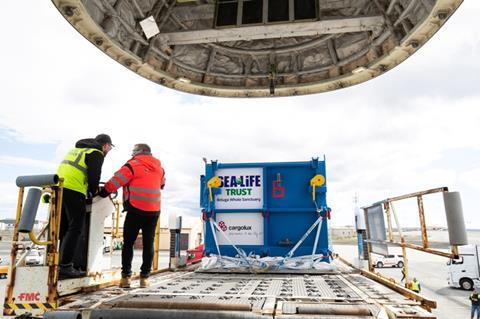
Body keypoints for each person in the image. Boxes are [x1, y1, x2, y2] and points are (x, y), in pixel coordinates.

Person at [100, 143, 165, 288]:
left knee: (128, 243)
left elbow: (114, 182)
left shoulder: (132, 165)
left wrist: (102, 193)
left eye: (133, 151)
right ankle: (144, 279)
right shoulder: (160, 168)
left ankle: (126, 278)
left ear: (140, 151)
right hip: (154, 210)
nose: (132, 154)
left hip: (136, 209)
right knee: (149, 243)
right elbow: (162, 184)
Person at [57, 134, 113, 279]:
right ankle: (66, 266)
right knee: (75, 227)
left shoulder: (76, 150)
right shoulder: (96, 153)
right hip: (74, 190)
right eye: (110, 148)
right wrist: (93, 192)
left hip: (59, 188)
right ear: (106, 145)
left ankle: (57, 262)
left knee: (63, 227)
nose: (108, 151)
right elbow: (94, 176)